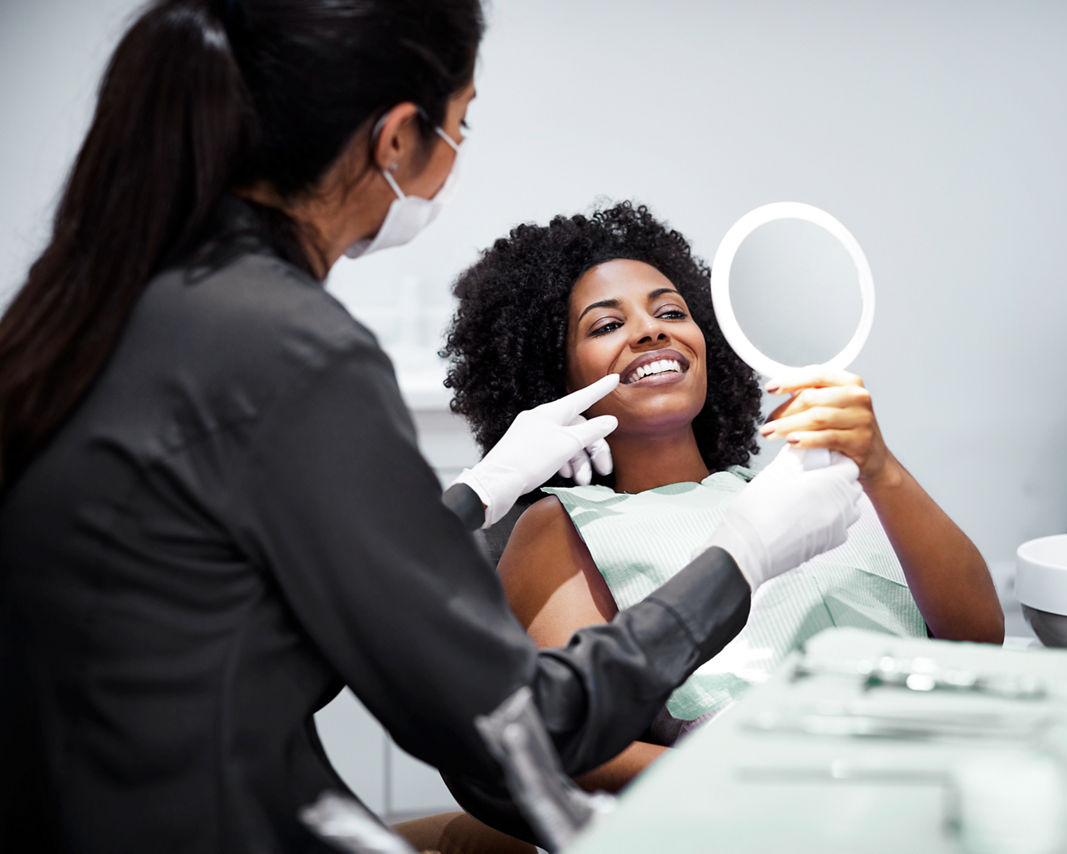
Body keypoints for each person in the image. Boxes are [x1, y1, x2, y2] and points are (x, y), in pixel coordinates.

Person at [0, 3, 867, 852]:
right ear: (396, 139)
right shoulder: (293, 354)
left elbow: (282, 613)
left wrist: (473, 496)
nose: (645, 333)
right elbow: (514, 723)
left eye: (668, 309)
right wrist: (744, 555)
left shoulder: (116, 302)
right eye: (461, 126)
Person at [443, 201, 1005, 791]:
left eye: (671, 312)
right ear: (555, 378)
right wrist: (741, 773)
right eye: (608, 325)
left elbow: (977, 637)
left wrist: (880, 467)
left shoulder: (806, 490)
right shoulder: (563, 526)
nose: (651, 330)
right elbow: (558, 743)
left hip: (947, 766)